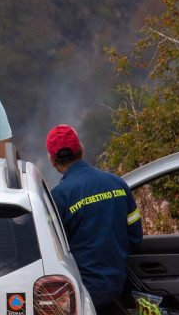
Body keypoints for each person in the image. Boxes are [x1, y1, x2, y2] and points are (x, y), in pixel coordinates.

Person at [47, 125, 142, 315]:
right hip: (118, 288)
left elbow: (52, 250)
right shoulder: (116, 183)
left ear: (52, 160)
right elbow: (135, 236)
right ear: (81, 149)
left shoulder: (57, 198)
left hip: (84, 295)